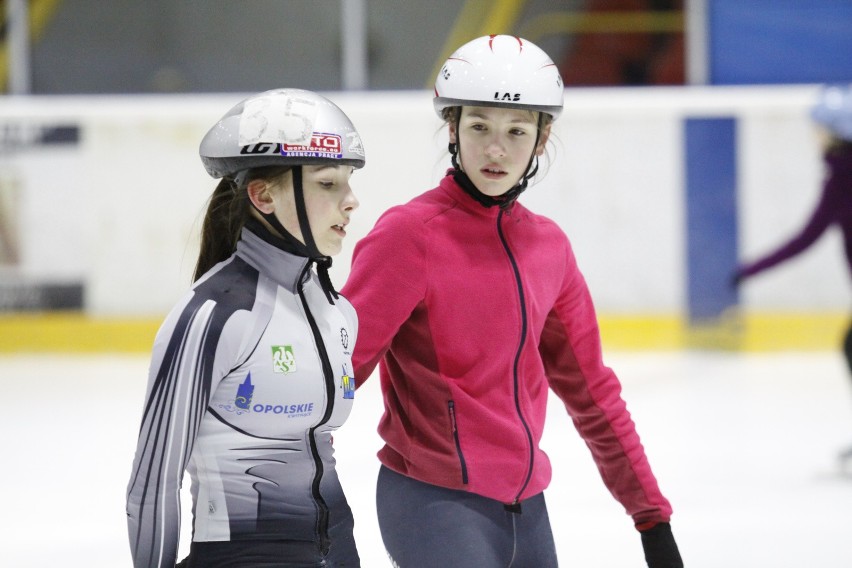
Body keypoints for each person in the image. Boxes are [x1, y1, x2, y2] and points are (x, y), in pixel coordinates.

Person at [341, 35, 683, 567]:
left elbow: (593, 393)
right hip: (432, 501)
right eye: (478, 127)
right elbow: (336, 372)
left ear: (542, 139)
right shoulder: (409, 236)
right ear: (451, 129)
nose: (496, 149)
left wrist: (651, 518)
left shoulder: (549, 248)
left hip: (528, 507)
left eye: (516, 131)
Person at [126, 88, 366, 568]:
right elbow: (153, 483)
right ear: (263, 195)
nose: (351, 201)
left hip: (338, 552)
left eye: (348, 182)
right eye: (327, 184)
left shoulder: (338, 313)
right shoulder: (215, 314)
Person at [733, 83, 852, 463]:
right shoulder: (841, 174)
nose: (814, 137)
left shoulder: (843, 177)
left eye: (820, 129)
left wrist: (750, 270)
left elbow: (806, 237)